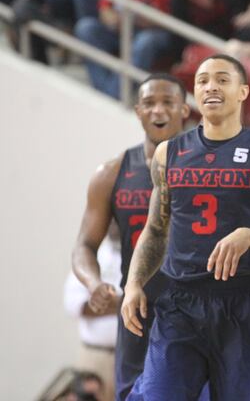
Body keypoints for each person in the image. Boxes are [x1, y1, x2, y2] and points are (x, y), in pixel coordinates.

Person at [121, 55, 250, 400]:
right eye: (203, 80)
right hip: (180, 303)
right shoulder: (169, 153)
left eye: (222, 80)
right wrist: (134, 284)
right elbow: (156, 229)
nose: (210, 87)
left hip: (240, 301)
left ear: (243, 92)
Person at [70, 73, 190, 400]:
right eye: (149, 103)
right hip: (136, 307)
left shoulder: (205, 166)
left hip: (193, 306)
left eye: (168, 102)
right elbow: (84, 245)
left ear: (185, 110)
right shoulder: (111, 173)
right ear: (137, 111)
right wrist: (94, 283)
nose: (158, 110)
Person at [73, 0, 174, 99]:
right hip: (123, 25)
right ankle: (109, 95)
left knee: (145, 41)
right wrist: (115, 19)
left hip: (157, 29)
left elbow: (178, 14)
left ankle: (110, 96)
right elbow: (105, 7)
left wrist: (150, 20)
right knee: (86, 27)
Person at [65, 233, 122, 401]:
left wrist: (108, 302)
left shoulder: (145, 252)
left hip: (134, 355)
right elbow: (75, 304)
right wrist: (123, 303)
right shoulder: (92, 255)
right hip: (96, 357)